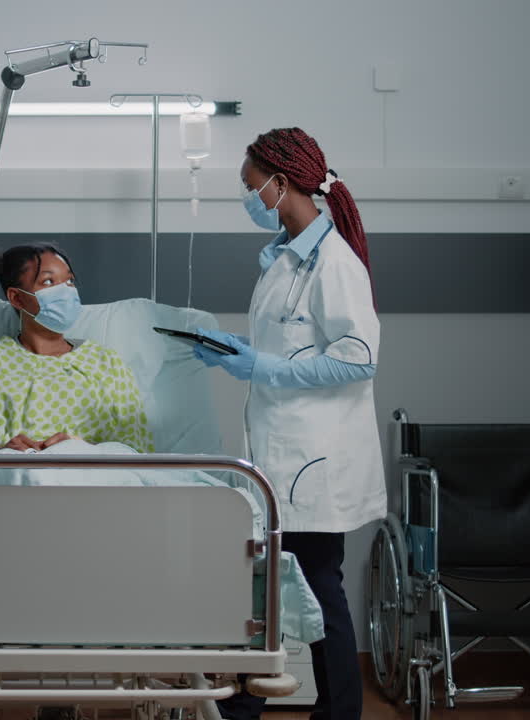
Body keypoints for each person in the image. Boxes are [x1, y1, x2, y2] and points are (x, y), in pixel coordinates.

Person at [195, 128, 385, 720]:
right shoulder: (286, 256)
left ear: (281, 184)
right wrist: (242, 352)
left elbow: (358, 358)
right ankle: (249, 707)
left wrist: (263, 364)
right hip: (280, 455)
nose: (249, 199)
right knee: (271, 585)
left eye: (252, 188)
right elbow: (292, 345)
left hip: (315, 462)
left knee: (317, 589)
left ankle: (333, 712)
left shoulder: (335, 262)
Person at [0, 243, 153, 453]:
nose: (66, 292)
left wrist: (82, 448)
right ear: (17, 298)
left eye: (69, 281)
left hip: (86, 477)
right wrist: (0, 454)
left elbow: (135, 447)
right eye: (48, 282)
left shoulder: (105, 363)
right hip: (8, 477)